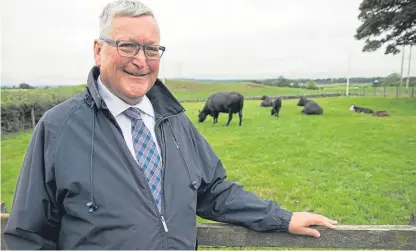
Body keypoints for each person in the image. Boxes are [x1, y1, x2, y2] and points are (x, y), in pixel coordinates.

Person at [3, 0, 337, 249]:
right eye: (128, 45)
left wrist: (284, 218)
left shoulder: (175, 121)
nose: (141, 60)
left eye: (152, 49)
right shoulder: (59, 128)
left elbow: (213, 190)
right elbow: (27, 234)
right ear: (98, 50)